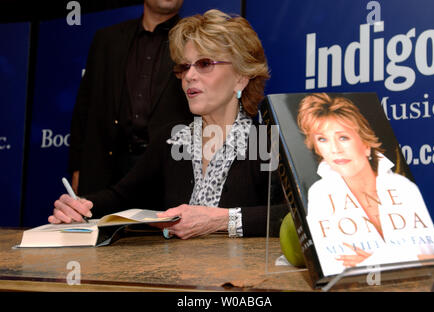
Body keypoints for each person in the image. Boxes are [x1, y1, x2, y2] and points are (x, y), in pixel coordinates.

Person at [49, 9, 272, 239]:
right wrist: (79, 206)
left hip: (242, 275)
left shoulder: (267, 142)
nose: (189, 76)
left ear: (241, 77)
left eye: (204, 64)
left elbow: (292, 216)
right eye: (185, 67)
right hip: (176, 273)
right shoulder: (172, 140)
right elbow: (120, 198)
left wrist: (220, 220)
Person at [297, 93, 434, 275]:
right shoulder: (320, 195)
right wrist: (407, 258)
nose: (335, 149)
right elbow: (334, 268)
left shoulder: (404, 188)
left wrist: (382, 258)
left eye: (343, 137)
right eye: (322, 139)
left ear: (366, 143)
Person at [68, 0, 192, 196]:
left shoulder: (194, 41)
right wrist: (77, 167)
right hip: (107, 170)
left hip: (169, 170)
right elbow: (84, 108)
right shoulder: (106, 40)